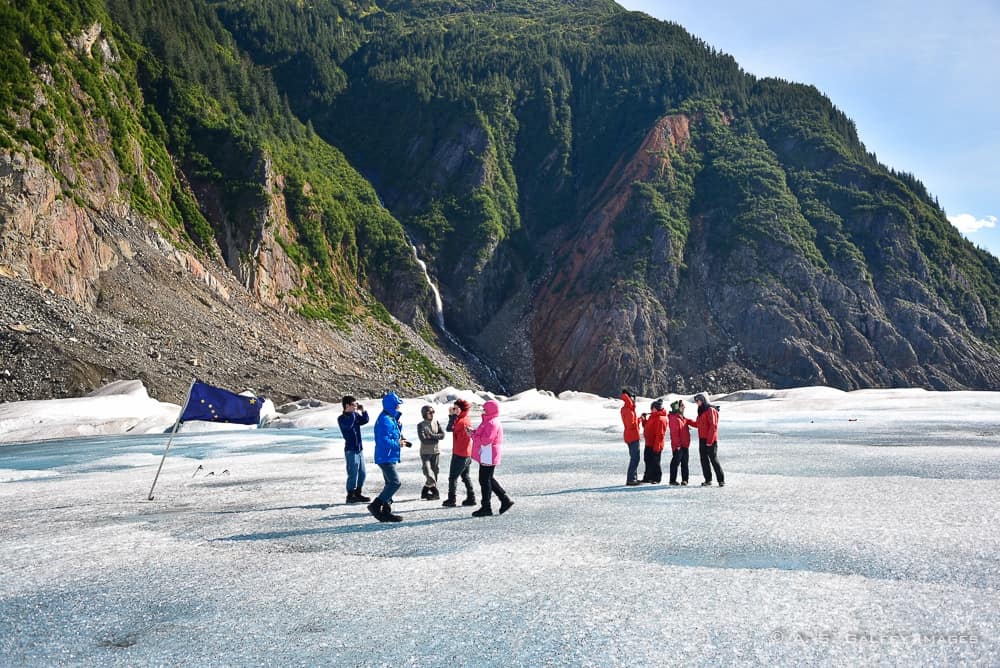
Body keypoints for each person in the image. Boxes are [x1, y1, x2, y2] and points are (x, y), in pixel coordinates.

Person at [370, 391, 413, 522]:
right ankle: (376, 505)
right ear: (391, 405)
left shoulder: (390, 418)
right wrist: (398, 444)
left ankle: (386, 510)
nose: (398, 407)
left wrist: (402, 438)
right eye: (397, 405)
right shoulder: (385, 420)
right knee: (395, 483)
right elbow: (383, 440)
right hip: (385, 457)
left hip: (389, 456)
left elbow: (394, 434)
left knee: (389, 483)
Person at [470, 400, 513, 517]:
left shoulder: (492, 422)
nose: (483, 411)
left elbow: (485, 440)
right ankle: (504, 500)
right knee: (488, 478)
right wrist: (473, 432)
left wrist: (473, 435)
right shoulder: (488, 421)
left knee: (484, 480)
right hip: (487, 453)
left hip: (488, 453)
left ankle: (486, 507)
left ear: (490, 410)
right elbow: (483, 435)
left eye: (485, 409)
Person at [442, 399, 476, 508]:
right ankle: (471, 497)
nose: (453, 409)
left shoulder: (462, 421)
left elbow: (449, 428)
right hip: (467, 453)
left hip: (460, 454)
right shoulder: (465, 418)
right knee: (465, 476)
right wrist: (453, 416)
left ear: (461, 409)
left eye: (456, 408)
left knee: (453, 477)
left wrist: (452, 416)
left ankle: (452, 499)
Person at [337, 395, 371, 503]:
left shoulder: (355, 415)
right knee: (353, 472)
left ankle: (358, 492)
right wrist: (353, 413)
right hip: (350, 450)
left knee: (362, 472)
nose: (356, 406)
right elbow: (349, 425)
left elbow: (365, 420)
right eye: (354, 404)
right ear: (347, 405)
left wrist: (363, 411)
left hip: (359, 449)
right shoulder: (342, 418)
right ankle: (350, 494)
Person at [694, 393, 725, 487]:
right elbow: (698, 424)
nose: (697, 403)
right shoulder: (701, 410)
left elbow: (713, 426)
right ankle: (708, 480)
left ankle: (721, 480)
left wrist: (709, 441)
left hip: (710, 440)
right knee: (704, 460)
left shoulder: (710, 410)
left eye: (698, 400)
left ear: (703, 400)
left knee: (713, 459)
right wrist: (686, 421)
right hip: (702, 439)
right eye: (696, 401)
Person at [417, 404, 445, 500]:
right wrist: (436, 437)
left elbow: (442, 435)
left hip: (436, 452)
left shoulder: (436, 422)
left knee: (435, 472)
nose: (432, 414)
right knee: (428, 473)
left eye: (433, 412)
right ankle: (435, 492)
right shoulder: (420, 425)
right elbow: (423, 440)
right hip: (425, 453)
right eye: (430, 412)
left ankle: (425, 491)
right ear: (425, 414)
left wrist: (432, 436)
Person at [667, 399, 697, 486]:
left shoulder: (682, 418)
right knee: (675, 463)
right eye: (682, 405)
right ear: (677, 408)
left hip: (685, 445)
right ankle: (672, 480)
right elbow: (674, 433)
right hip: (679, 446)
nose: (684, 407)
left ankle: (685, 480)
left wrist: (702, 415)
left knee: (685, 463)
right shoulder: (674, 418)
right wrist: (677, 445)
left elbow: (696, 423)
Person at [639, 399, 667, 484]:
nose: (651, 410)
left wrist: (657, 446)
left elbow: (660, 434)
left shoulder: (660, 419)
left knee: (655, 462)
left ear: (656, 408)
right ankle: (648, 477)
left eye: (653, 408)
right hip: (649, 443)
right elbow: (648, 427)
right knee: (648, 460)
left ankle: (656, 478)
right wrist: (644, 420)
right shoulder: (653, 416)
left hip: (655, 444)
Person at [620, 390, 642, 486]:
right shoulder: (628, 410)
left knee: (634, 458)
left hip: (631, 435)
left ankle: (633, 478)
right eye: (633, 398)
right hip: (632, 436)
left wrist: (639, 419)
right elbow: (630, 425)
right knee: (635, 458)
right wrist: (637, 422)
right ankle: (631, 479)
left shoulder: (628, 408)